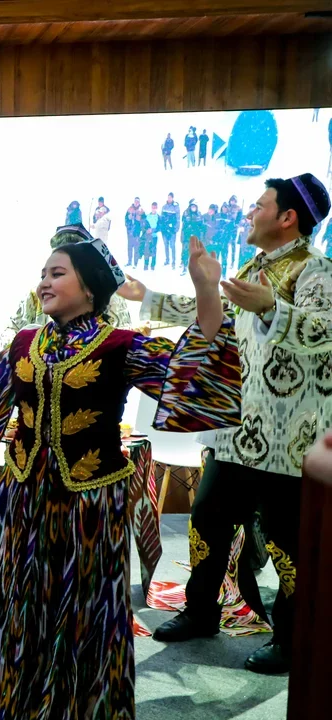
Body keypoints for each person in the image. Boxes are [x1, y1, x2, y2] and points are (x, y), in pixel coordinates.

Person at [0, 234, 238, 720]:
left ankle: (65, 718)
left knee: (76, 607)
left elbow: (192, 373)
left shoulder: (122, 346)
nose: (44, 282)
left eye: (57, 273)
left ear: (90, 288)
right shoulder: (24, 343)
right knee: (10, 600)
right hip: (22, 498)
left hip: (89, 505)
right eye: (42, 273)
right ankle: (2, 707)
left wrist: (207, 291)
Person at [121, 174, 332, 674]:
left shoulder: (317, 270)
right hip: (236, 433)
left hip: (290, 440)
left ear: (288, 217)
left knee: (287, 542)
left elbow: (325, 331)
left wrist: (272, 308)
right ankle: (201, 612)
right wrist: (148, 297)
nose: (250, 213)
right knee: (208, 520)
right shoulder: (255, 267)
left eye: (259, 205)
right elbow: (213, 312)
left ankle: (292, 640)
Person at [6, 225, 134, 338]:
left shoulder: (111, 299)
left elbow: (124, 332)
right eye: (43, 276)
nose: (43, 284)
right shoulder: (37, 296)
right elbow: (11, 329)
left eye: (58, 273)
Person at [181, 200, 205, 275]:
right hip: (187, 236)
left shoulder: (199, 214)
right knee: (185, 251)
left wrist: (200, 235)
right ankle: (184, 266)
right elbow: (184, 225)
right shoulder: (186, 213)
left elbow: (201, 226)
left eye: (194, 206)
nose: (193, 208)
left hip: (196, 236)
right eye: (192, 206)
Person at [160, 193, 181, 267]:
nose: (169, 199)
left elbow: (178, 219)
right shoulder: (164, 207)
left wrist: (176, 229)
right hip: (165, 230)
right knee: (166, 245)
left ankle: (173, 261)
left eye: (170, 197)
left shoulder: (176, 207)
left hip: (172, 230)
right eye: (168, 197)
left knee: (172, 245)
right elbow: (161, 218)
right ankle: (167, 260)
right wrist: (162, 228)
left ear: (172, 198)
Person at [124, 197, 142, 266]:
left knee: (136, 247)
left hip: (137, 232)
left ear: (139, 202)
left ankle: (135, 263)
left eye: (138, 201)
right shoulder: (130, 209)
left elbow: (144, 221)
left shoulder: (141, 210)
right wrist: (129, 219)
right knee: (130, 247)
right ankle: (129, 262)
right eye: (135, 201)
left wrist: (139, 220)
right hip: (130, 232)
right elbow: (125, 219)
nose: (136, 202)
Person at [144, 202, 160, 270]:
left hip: (154, 236)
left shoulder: (158, 217)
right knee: (147, 250)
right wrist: (147, 230)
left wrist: (153, 230)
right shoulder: (148, 216)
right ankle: (146, 265)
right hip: (148, 236)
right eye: (153, 207)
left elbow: (159, 227)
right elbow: (144, 225)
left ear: (157, 208)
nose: (154, 209)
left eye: (155, 207)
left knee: (153, 250)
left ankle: (153, 265)